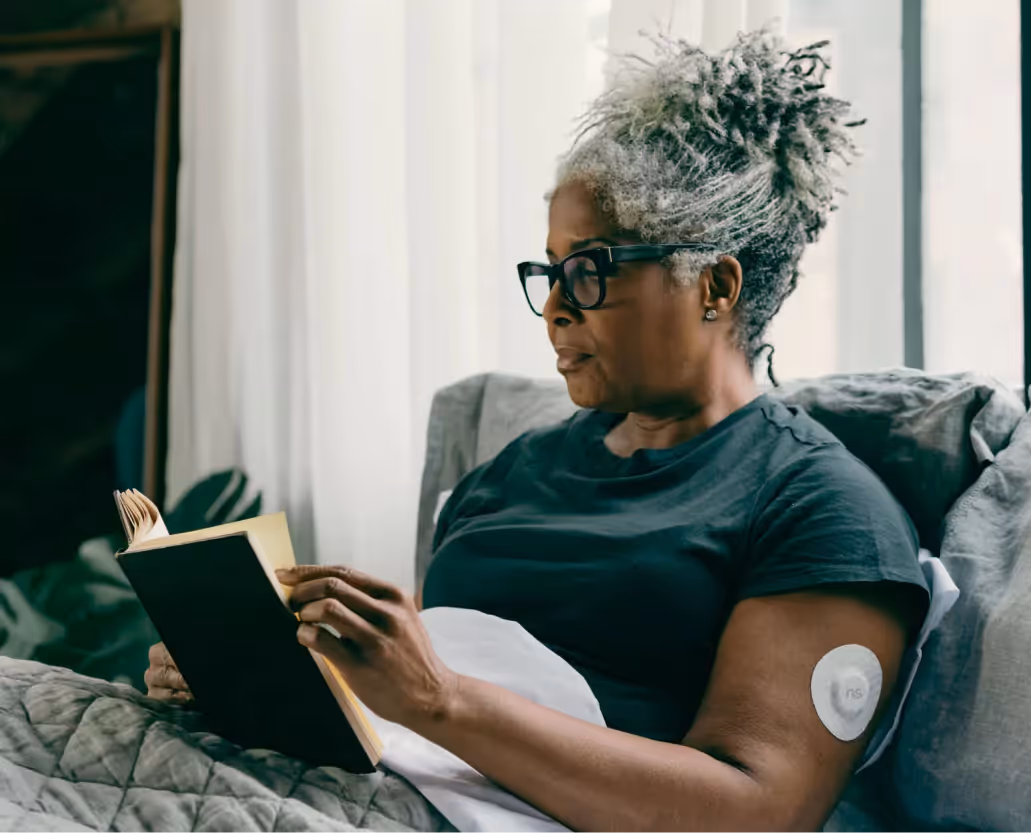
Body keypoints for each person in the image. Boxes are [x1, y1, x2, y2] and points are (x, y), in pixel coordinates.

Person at [146, 32, 929, 833]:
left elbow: (756, 811)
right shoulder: (517, 469)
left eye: (591, 269)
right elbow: (441, 662)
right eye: (550, 272)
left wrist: (437, 698)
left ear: (715, 286)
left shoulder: (822, 508)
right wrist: (272, 667)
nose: (556, 305)